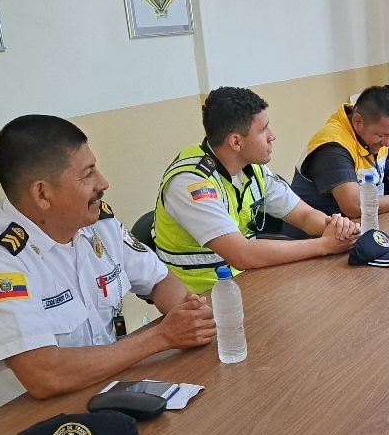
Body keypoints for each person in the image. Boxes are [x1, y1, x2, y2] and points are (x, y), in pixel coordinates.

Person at [0, 115, 216, 419]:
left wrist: (190, 317)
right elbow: (43, 374)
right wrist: (162, 338)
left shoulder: (97, 223)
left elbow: (159, 280)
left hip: (100, 389)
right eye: (88, 174)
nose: (103, 183)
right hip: (16, 421)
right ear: (42, 194)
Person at [153, 87, 360, 294]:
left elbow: (304, 215)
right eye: (263, 130)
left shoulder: (252, 169)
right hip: (199, 297)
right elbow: (242, 254)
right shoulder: (191, 183)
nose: (272, 136)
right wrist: (324, 245)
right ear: (236, 142)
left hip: (244, 281)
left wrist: (336, 228)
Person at [284, 86, 389, 237]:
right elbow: (354, 205)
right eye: (381, 135)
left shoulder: (378, 138)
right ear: (357, 120)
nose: (388, 143)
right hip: (315, 239)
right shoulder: (332, 146)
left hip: (360, 228)